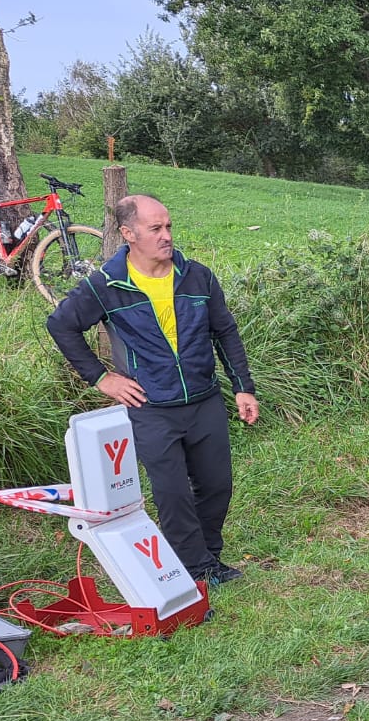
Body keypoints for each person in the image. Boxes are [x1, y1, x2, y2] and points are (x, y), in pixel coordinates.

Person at [47, 195, 259, 586]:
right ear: (128, 234)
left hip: (204, 398)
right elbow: (61, 325)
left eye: (169, 227)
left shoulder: (197, 276)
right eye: (156, 229)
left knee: (217, 486)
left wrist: (243, 388)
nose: (167, 236)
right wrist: (101, 377)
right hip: (151, 407)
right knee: (173, 494)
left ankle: (208, 557)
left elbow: (224, 332)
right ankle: (193, 569)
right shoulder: (106, 285)